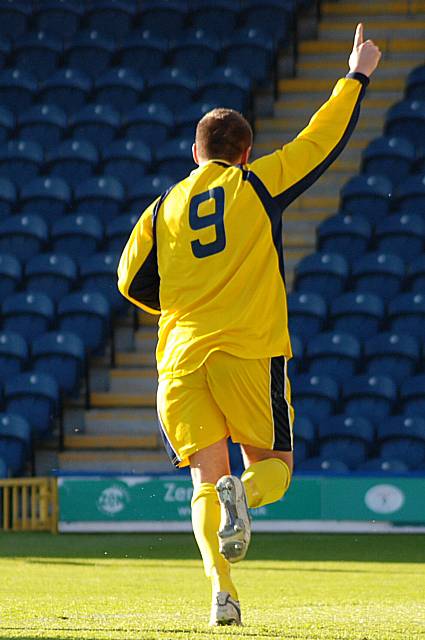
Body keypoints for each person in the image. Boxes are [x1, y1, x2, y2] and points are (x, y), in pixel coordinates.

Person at [117, 23, 381, 627]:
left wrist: (186, 305)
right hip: (248, 351)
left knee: (201, 486)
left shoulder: (161, 208)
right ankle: (248, 493)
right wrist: (355, 76)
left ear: (194, 153)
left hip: (179, 359)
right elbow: (320, 142)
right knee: (275, 471)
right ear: (244, 154)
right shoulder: (256, 184)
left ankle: (222, 595)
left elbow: (130, 282)